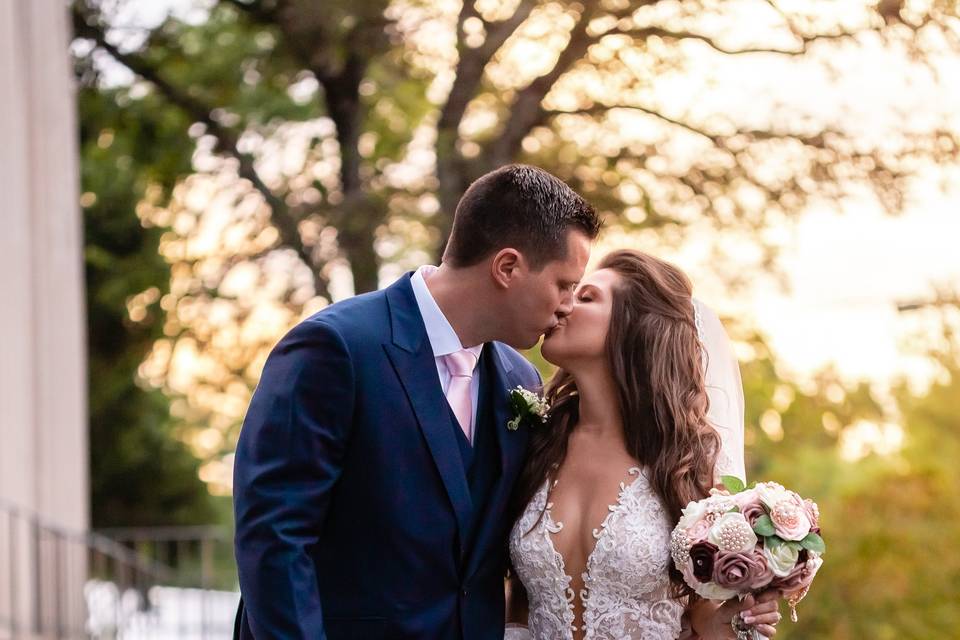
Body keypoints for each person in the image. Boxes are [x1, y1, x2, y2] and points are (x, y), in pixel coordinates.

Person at [232, 164, 601, 639]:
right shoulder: (336, 348)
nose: (568, 305)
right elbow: (274, 540)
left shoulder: (520, 378)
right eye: (564, 284)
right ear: (507, 267)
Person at [506, 250, 781, 639]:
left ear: (632, 328)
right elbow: (518, 597)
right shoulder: (535, 444)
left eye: (586, 298)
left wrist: (733, 620)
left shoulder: (686, 461)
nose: (562, 304)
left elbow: (703, 610)